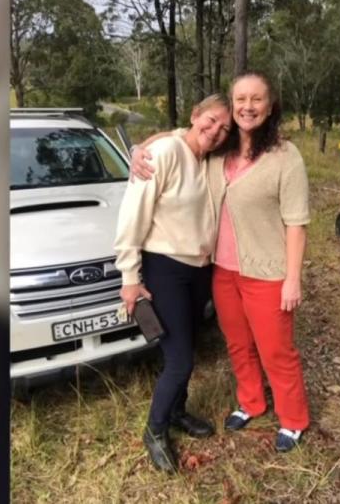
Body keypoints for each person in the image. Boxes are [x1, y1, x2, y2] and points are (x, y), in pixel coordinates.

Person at [131, 71, 311, 452]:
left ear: (270, 105)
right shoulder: (219, 151)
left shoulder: (284, 156)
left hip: (267, 272)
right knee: (238, 344)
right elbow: (181, 135)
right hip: (222, 271)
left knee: (276, 350)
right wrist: (138, 149)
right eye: (240, 99)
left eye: (256, 99)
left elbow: (296, 223)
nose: (248, 106)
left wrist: (292, 279)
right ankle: (251, 402)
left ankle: (293, 418)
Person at [114, 94, 232, 473]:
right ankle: (155, 429)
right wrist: (130, 278)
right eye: (211, 120)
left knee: (190, 346)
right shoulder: (164, 153)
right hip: (165, 266)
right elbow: (133, 215)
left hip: (200, 269)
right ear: (195, 115)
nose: (215, 131)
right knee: (179, 360)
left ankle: (179, 411)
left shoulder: (211, 158)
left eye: (224, 128)